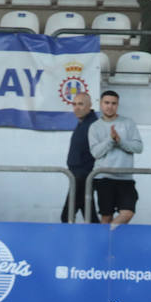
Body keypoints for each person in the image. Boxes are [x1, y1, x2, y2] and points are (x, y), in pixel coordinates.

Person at [89, 91, 144, 227]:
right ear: (101, 104)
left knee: (127, 212)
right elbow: (96, 153)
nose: (110, 106)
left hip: (125, 178)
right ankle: (105, 245)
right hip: (104, 178)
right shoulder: (94, 127)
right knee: (106, 216)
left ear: (117, 105)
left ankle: (105, 237)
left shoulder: (128, 123)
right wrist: (110, 139)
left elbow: (138, 147)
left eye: (113, 103)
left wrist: (120, 141)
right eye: (106, 103)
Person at [63, 92, 100, 223]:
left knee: (67, 216)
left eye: (81, 104)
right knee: (89, 216)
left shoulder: (93, 125)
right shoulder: (83, 123)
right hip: (77, 175)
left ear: (89, 106)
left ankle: (101, 241)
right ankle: (99, 241)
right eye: (74, 104)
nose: (77, 108)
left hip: (83, 176)